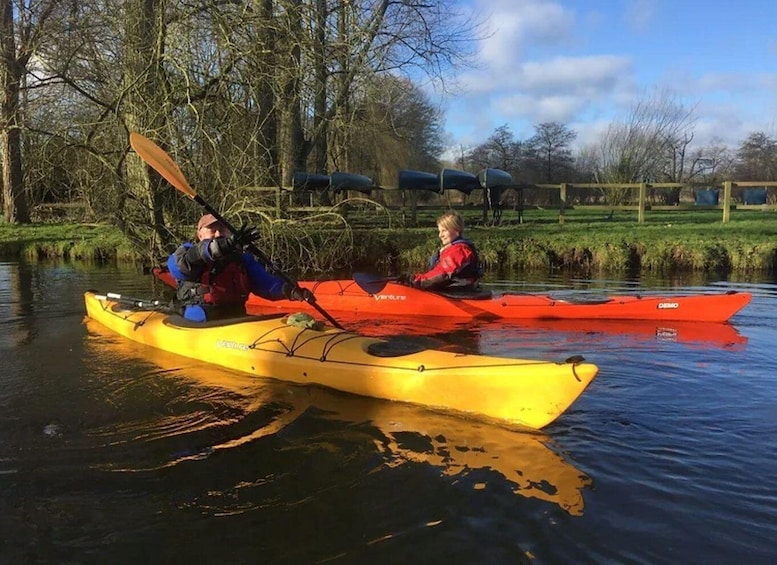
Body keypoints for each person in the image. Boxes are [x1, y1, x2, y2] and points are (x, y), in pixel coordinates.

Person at [167, 213, 313, 321]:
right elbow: (180, 267)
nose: (218, 233)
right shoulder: (186, 253)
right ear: (199, 235)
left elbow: (266, 284)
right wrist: (221, 247)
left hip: (237, 317)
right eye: (212, 229)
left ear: (229, 232)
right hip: (201, 319)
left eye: (222, 229)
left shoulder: (242, 260)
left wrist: (291, 291)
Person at [398, 211, 483, 291]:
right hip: (455, 290)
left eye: (444, 231)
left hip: (458, 292)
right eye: (439, 231)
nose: (440, 235)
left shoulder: (459, 251)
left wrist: (415, 280)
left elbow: (442, 274)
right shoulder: (455, 248)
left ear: (456, 230)